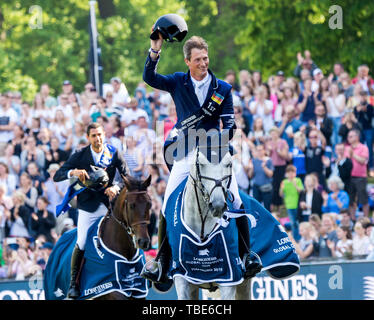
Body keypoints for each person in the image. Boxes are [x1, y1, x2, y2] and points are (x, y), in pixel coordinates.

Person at [142, 32, 257, 283]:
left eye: (205, 59)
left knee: (236, 199)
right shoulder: (176, 82)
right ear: (187, 62)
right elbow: (148, 77)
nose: (203, 64)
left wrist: (218, 141)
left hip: (214, 151)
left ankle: (247, 255)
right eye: (198, 60)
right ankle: (162, 260)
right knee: (165, 206)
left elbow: (229, 125)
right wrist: (155, 49)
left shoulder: (223, 89)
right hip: (184, 151)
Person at [53, 122, 128, 299]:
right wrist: (74, 172)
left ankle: (136, 271)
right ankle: (73, 283)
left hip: (110, 205)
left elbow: (126, 177)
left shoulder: (114, 152)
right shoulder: (80, 155)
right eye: (94, 136)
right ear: (88, 138)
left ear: (104, 135)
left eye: (100, 134)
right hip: (89, 207)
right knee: (82, 241)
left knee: (129, 232)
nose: (98, 138)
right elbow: (58, 175)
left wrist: (116, 187)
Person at [344, 129, 370, 218]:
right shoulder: (346, 148)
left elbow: (363, 161)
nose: (348, 138)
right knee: (351, 200)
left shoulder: (363, 147)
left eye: (351, 136)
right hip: (349, 177)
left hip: (360, 177)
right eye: (348, 136)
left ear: (357, 137)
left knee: (363, 199)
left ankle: (366, 219)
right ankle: (352, 219)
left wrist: (353, 155)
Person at [280, 165, 304, 240]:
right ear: (286, 174)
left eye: (292, 172)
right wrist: (282, 188)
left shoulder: (298, 180)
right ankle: (295, 238)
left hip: (297, 205)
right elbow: (281, 194)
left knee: (298, 222)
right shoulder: (284, 182)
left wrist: (296, 185)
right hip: (289, 205)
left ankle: (300, 237)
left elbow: (301, 191)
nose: (291, 175)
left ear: (295, 173)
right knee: (293, 223)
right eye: (289, 173)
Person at [248, 143, 274, 211]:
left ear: (264, 151)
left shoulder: (268, 161)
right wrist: (251, 168)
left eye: (261, 150)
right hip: (256, 187)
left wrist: (264, 167)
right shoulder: (253, 161)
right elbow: (250, 176)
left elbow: (270, 174)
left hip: (266, 188)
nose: (259, 152)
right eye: (258, 150)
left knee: (267, 208)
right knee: (256, 207)